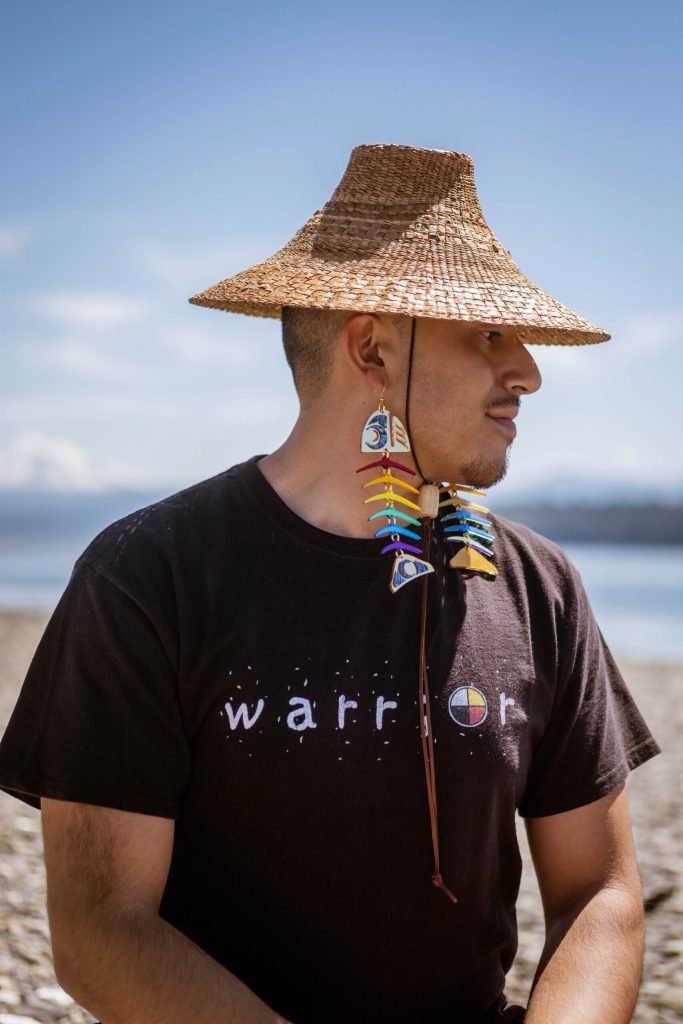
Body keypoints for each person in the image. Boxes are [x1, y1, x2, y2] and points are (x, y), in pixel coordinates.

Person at [0, 144, 660, 1024]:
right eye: (489, 333)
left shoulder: (538, 587)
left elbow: (600, 893)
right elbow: (100, 928)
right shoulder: (147, 577)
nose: (528, 373)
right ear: (373, 348)